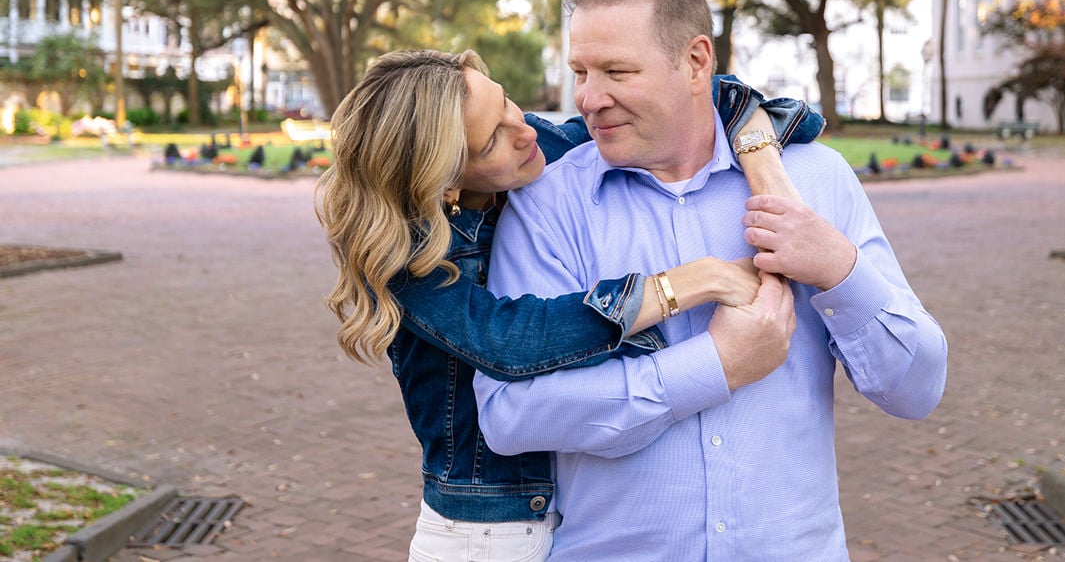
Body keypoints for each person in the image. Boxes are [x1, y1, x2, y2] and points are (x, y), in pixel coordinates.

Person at [474, 0, 948, 561]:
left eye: (617, 71)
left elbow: (916, 390)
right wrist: (713, 365)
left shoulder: (814, 181)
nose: (590, 99)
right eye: (580, 73)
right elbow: (511, 413)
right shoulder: (547, 206)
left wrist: (839, 269)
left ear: (697, 62)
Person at [316, 48, 822, 562]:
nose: (526, 130)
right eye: (493, 138)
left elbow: (694, 94)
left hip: (569, 521)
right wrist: (691, 282)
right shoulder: (409, 256)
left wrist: (762, 161)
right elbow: (509, 341)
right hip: (487, 538)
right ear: (444, 180)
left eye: (507, 103)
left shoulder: (535, 138)